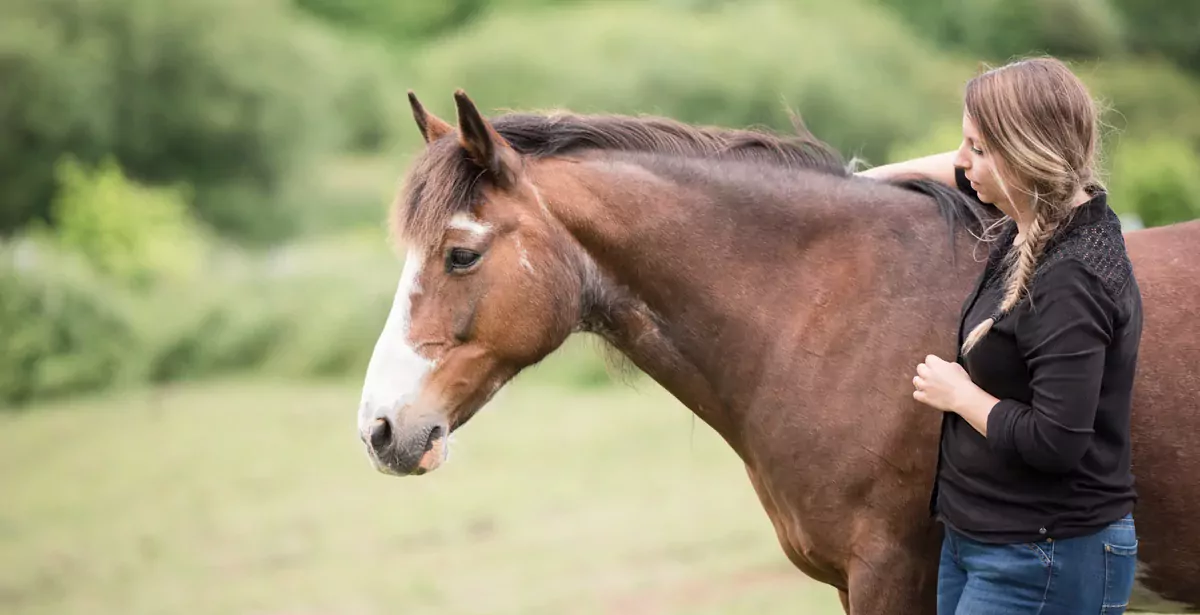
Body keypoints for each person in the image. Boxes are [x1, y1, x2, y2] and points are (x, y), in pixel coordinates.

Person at [858, 57, 1143, 614]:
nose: (963, 163)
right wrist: (872, 179)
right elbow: (959, 170)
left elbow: (1057, 441)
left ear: (1025, 157)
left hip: (1043, 557)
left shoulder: (1071, 278)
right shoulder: (1038, 216)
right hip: (985, 544)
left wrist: (961, 396)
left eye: (979, 149)